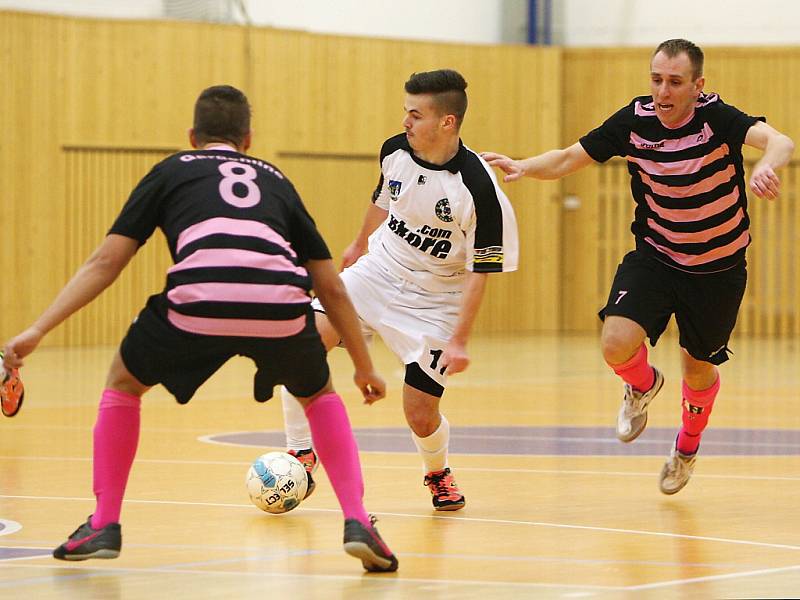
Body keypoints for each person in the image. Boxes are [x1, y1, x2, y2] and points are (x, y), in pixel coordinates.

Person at [2, 85, 399, 572]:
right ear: (248, 139)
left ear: (192, 136)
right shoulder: (276, 179)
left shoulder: (170, 171)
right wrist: (363, 365)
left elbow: (107, 261)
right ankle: (358, 520)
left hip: (197, 302)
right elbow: (331, 286)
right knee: (319, 395)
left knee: (124, 384)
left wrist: (38, 330)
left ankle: (104, 523)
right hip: (278, 306)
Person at [482, 39, 794, 494]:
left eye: (675, 82)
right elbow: (571, 157)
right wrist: (525, 166)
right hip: (656, 256)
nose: (663, 92)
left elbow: (779, 140)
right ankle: (642, 385)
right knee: (615, 342)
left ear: (697, 85)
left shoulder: (716, 118)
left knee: (698, 371)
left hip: (718, 269)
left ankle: (686, 448)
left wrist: (767, 164)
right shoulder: (634, 122)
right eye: (656, 80)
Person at [280, 69, 519, 511]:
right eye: (405, 112)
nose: (406, 122)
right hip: (379, 272)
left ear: (447, 122)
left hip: (436, 300)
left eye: (416, 114)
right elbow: (383, 198)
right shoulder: (395, 150)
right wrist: (356, 244)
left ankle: (437, 472)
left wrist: (461, 341)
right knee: (302, 344)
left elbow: (481, 272)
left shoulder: (480, 190)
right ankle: (300, 453)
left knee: (419, 413)